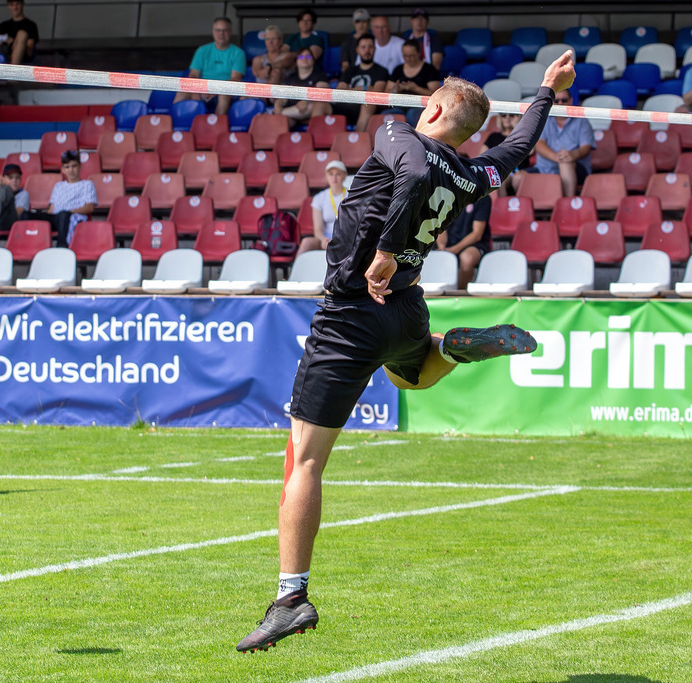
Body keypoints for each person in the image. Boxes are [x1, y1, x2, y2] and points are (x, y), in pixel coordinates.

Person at [236, 50, 576, 654]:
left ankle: (291, 598)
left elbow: (414, 175)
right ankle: (454, 348)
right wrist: (546, 93)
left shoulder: (397, 132)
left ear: (435, 106)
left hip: (353, 310)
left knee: (304, 461)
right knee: (415, 378)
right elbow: (515, 152)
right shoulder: (470, 175)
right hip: (406, 310)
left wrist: (387, 248)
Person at [173, 17, 246, 116]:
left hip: (225, 91)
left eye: (225, 30)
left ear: (230, 32)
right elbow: (193, 75)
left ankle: (216, 125)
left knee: (224, 94)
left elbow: (235, 79)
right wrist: (199, 90)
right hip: (203, 89)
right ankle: (174, 128)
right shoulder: (202, 50)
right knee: (182, 92)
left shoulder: (238, 53)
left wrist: (216, 90)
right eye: (218, 30)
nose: (221, 33)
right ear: (213, 32)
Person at [532, 88, 594, 197]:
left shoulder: (581, 120)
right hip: (545, 168)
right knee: (518, 177)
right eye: (556, 101)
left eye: (564, 100)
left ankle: (567, 205)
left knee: (565, 162)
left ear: (571, 101)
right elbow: (539, 144)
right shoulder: (544, 119)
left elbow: (586, 148)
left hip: (575, 167)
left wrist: (572, 155)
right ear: (552, 103)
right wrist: (557, 157)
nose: (560, 103)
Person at [29, 150, 96, 247]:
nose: (71, 170)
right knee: (26, 215)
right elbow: (51, 209)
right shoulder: (58, 186)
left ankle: (62, 248)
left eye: (74, 166)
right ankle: (31, 248)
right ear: (63, 169)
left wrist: (70, 211)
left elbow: (90, 208)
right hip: (56, 218)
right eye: (67, 167)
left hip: (74, 217)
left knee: (63, 214)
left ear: (80, 166)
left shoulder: (87, 184)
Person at [333, 33, 389, 133]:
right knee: (321, 104)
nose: (367, 50)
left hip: (366, 108)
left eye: (370, 47)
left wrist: (349, 91)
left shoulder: (381, 71)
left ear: (374, 49)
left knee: (368, 104)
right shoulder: (350, 70)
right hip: (347, 105)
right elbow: (339, 92)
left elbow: (376, 93)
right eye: (363, 47)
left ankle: (357, 141)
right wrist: (364, 87)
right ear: (357, 50)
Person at [436, 194, 492, 288]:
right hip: (448, 243)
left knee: (467, 258)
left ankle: (460, 293)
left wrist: (454, 249)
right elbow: (440, 226)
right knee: (428, 256)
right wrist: (442, 247)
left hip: (475, 244)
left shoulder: (483, 197)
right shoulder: (445, 194)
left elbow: (477, 234)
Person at [297, 159, 349, 256]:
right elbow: (318, 229)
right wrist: (323, 239)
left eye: (338, 174)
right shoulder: (319, 197)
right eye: (331, 174)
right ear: (326, 176)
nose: (334, 177)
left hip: (346, 236)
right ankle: (296, 269)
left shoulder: (351, 195)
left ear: (344, 176)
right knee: (306, 242)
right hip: (326, 238)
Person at [272, 48, 331, 129]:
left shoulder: (320, 75)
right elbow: (283, 98)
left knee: (312, 106)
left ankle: (282, 113)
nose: (304, 58)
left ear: (313, 60)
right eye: (300, 57)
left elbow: (321, 93)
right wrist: (278, 104)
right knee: (279, 124)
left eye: (308, 56)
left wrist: (306, 101)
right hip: (292, 112)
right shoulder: (290, 77)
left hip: (308, 111)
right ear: (296, 61)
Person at [386, 39, 441, 125]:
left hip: (420, 106)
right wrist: (395, 91)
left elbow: (435, 95)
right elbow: (387, 92)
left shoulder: (429, 69)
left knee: (412, 114)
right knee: (386, 115)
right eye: (405, 56)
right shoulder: (398, 70)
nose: (408, 59)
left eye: (411, 56)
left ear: (419, 53)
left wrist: (415, 88)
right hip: (400, 105)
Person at [481, 113, 529, 195]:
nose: (507, 118)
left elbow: (532, 150)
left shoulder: (522, 136)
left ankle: (508, 206)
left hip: (517, 171)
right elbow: (481, 157)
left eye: (511, 115)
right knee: (497, 178)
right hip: (497, 170)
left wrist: (517, 128)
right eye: (504, 115)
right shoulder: (494, 136)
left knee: (500, 179)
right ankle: (501, 206)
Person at [0, 0, 39, 65]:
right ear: (9, 6)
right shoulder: (3, 25)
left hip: (23, 59)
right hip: (4, 58)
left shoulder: (31, 25)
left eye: (17, 4)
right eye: (12, 5)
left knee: (22, 34)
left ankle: (13, 70)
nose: (15, 7)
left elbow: (29, 50)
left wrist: (11, 42)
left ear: (22, 4)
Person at [339, 8, 372, 73]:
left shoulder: (375, 40)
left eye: (364, 21)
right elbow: (345, 65)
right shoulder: (347, 43)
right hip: (354, 74)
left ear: (369, 22)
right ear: (354, 23)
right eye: (358, 21)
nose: (361, 25)